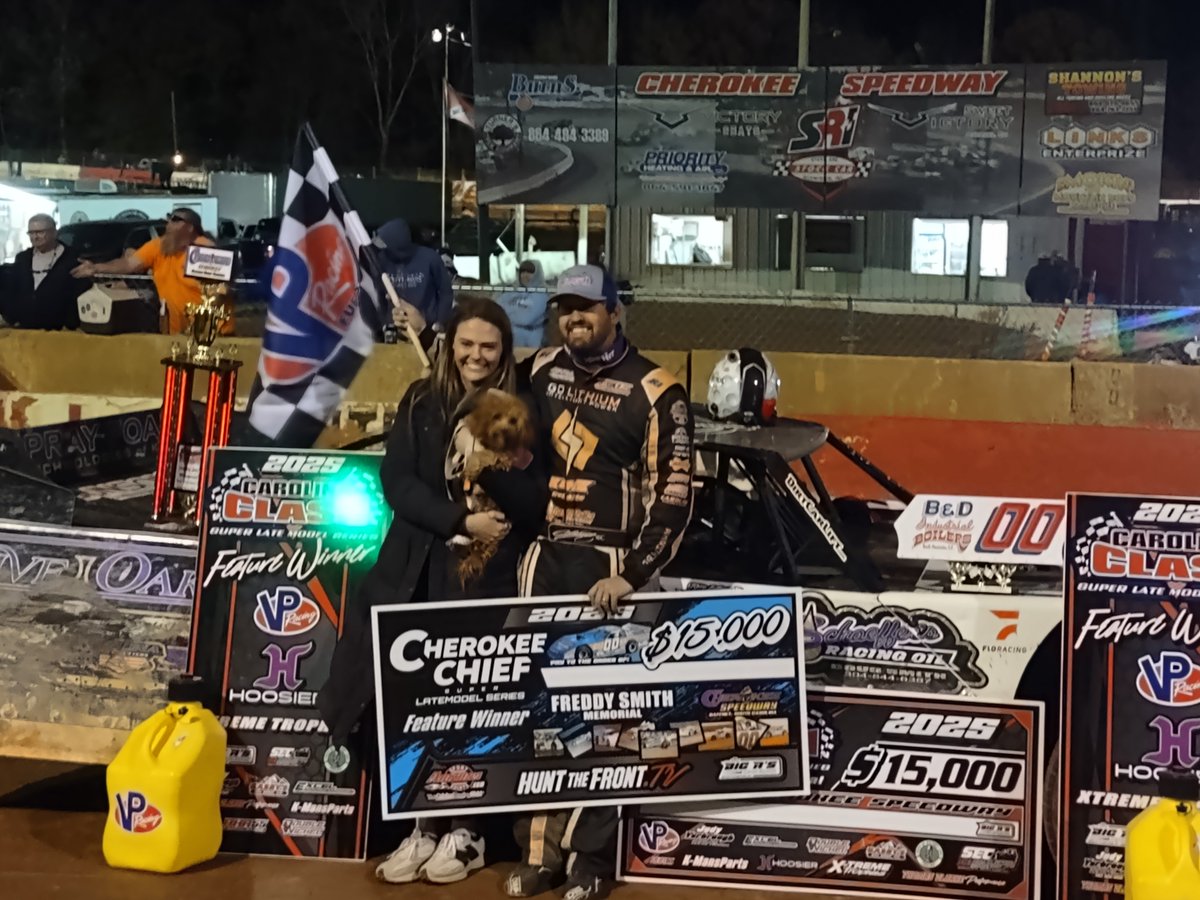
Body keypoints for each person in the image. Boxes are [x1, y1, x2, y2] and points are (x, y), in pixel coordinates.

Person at [319, 295, 546, 886]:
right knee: (410, 705)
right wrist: (456, 520)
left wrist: (495, 464)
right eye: (466, 344)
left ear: (504, 353)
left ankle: (466, 831)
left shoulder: (523, 408)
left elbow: (535, 502)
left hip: (485, 580)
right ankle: (420, 826)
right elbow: (395, 481)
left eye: (488, 346)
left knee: (472, 706)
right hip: (414, 573)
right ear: (450, 344)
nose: (475, 355)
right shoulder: (422, 399)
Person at [507, 265, 695, 900]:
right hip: (544, 563)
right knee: (533, 714)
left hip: (611, 574)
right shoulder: (537, 370)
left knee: (604, 724)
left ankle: (589, 859)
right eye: (565, 307)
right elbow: (497, 428)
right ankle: (539, 854)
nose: (574, 317)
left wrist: (636, 576)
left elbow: (674, 498)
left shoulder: (658, 389)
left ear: (615, 311)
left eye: (586, 306)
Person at [69, 207, 233, 335]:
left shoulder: (205, 248)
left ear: (190, 227)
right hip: (176, 332)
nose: (169, 223)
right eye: (169, 218)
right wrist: (96, 267)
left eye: (175, 219)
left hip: (212, 332)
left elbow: (219, 292)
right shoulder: (159, 246)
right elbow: (128, 264)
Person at [0, 214, 88, 330]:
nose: (35, 237)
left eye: (40, 232)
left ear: (54, 233)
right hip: (25, 330)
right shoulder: (23, 258)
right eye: (31, 233)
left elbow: (78, 292)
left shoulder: (72, 258)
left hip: (60, 331)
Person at [375, 218, 454, 332]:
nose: (382, 246)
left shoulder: (430, 258)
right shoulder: (381, 260)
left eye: (384, 242)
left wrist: (440, 322)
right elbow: (378, 295)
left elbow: (446, 292)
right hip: (393, 328)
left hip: (426, 327)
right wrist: (383, 323)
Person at [495, 259, 549, 349]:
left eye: (530, 272)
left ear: (537, 274)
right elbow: (497, 310)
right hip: (507, 342)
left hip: (531, 344)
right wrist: (518, 311)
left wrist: (508, 311)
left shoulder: (541, 295)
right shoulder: (511, 292)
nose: (525, 275)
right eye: (522, 271)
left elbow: (526, 319)